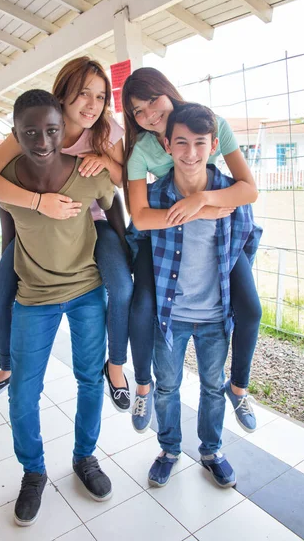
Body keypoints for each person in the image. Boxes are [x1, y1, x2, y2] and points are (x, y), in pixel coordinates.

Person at [0, 57, 133, 413]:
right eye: (83, 94)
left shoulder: (107, 131)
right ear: (63, 95)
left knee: (121, 287)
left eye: (101, 96)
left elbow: (124, 182)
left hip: (92, 223)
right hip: (39, 224)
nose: (93, 105)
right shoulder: (41, 127)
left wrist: (106, 162)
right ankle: (6, 366)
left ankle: (117, 366)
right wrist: (38, 203)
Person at [0, 89, 115, 526]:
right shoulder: (6, 180)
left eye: (50, 129)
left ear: (63, 129)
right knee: (23, 391)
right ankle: (33, 471)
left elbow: (114, 209)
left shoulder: (88, 173)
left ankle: (85, 458)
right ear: (16, 133)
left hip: (87, 291)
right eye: (30, 131)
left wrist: (122, 265)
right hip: (34, 299)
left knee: (89, 378)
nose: (42, 140)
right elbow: (10, 230)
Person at [122, 67, 262, 434]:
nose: (150, 114)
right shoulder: (142, 150)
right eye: (139, 111)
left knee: (250, 309)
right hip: (165, 237)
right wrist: (195, 213)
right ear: (168, 145)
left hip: (213, 234)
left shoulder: (211, 124)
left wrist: (203, 200)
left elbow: (247, 188)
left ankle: (238, 387)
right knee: (140, 305)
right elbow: (139, 215)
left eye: (153, 101)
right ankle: (142, 385)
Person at [143, 104, 262, 488]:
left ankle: (211, 450)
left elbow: (245, 238)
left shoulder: (231, 194)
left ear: (213, 145)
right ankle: (170, 448)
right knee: (167, 386)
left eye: (199, 143)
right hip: (171, 316)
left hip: (215, 315)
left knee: (213, 386)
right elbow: (137, 238)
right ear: (167, 145)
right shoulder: (155, 196)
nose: (190, 152)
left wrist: (206, 202)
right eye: (181, 142)